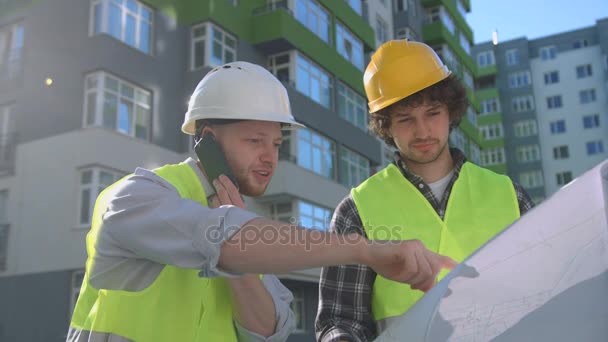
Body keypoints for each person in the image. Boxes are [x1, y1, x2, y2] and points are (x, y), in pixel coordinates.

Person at [67, 61, 456, 342]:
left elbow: (269, 330)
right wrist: (365, 250)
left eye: (275, 144)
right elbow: (220, 238)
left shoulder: (249, 232)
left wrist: (238, 256)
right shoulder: (136, 199)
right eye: (254, 141)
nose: (270, 157)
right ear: (206, 139)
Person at [315, 40, 536, 341]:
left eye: (432, 113)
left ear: (450, 112)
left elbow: (547, 291)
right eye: (405, 119)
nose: (422, 131)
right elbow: (340, 319)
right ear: (386, 126)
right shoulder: (356, 210)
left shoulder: (512, 197)